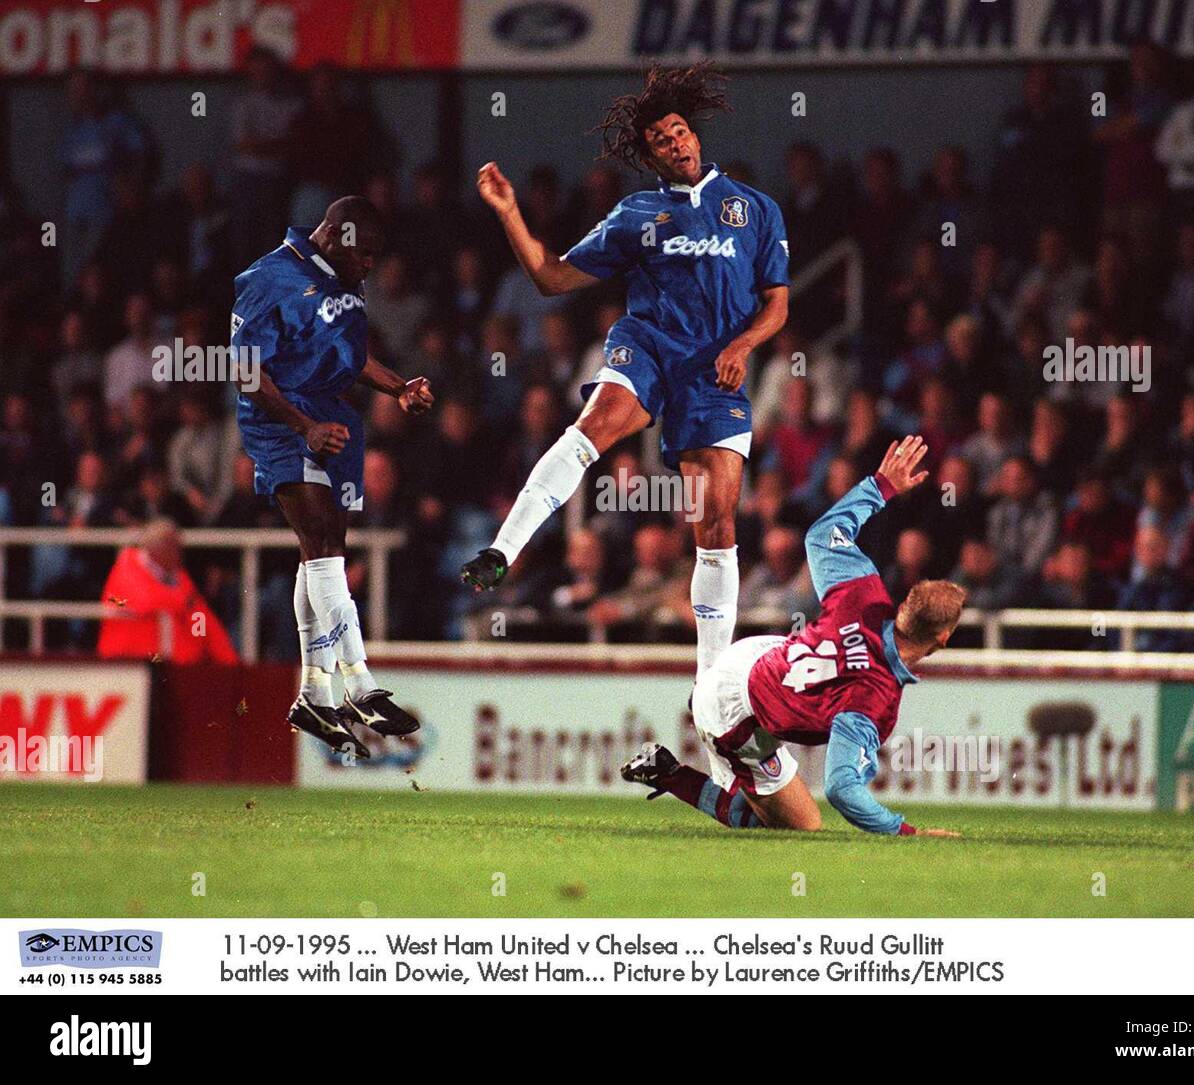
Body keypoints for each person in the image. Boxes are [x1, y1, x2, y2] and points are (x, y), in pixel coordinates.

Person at [461, 63, 790, 681]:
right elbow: (551, 277)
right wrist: (509, 213)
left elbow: (778, 304)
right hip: (650, 347)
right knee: (593, 427)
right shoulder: (637, 215)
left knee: (715, 520)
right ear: (651, 155)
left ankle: (713, 683)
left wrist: (743, 345)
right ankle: (503, 550)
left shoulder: (755, 208)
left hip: (713, 369)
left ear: (694, 133)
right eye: (661, 139)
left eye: (680, 130)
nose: (676, 143)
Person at [621, 435, 961, 838]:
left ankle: (709, 707)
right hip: (738, 712)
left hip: (755, 656)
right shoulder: (876, 696)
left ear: (905, 601)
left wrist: (881, 485)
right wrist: (906, 832)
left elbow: (822, 536)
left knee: (776, 772)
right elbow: (841, 789)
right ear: (943, 638)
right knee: (799, 824)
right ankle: (671, 772)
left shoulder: (865, 594)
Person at [232, 196, 434, 757]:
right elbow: (246, 369)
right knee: (321, 539)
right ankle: (361, 684)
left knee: (324, 552)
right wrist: (303, 427)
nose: (371, 264)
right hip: (282, 421)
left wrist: (397, 387)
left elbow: (350, 354)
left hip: (332, 415)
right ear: (338, 236)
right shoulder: (268, 278)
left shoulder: (345, 279)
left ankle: (314, 696)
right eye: (365, 253)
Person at [98, 519, 238, 664]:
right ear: (159, 548)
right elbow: (143, 603)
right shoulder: (127, 568)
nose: (180, 554)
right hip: (132, 662)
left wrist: (229, 662)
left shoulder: (178, 577)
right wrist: (181, 604)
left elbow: (201, 617)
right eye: (175, 547)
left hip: (178, 665)